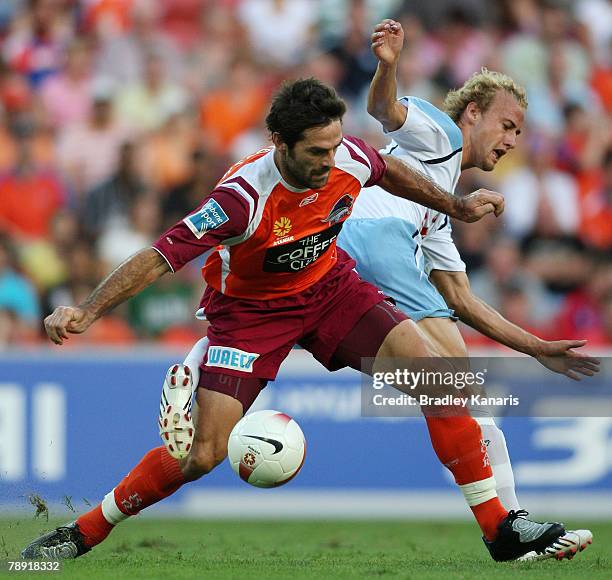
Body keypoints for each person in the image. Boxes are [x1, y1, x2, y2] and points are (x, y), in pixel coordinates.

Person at [23, 78, 568, 563]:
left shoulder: (346, 156)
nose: (329, 162)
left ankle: (500, 528)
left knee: (438, 381)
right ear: (279, 145)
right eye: (315, 152)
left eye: (333, 146)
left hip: (332, 289)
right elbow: (158, 257)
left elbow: (388, 171)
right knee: (202, 455)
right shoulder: (241, 199)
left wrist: (457, 206)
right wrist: (87, 310)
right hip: (251, 317)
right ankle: (84, 531)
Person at [336, 20, 597, 560]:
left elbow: (461, 298)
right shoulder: (439, 134)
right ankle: (508, 526)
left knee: (461, 401)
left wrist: (537, 347)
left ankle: (511, 530)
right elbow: (385, 111)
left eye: (520, 134)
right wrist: (387, 65)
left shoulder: (437, 210)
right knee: (461, 391)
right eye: (507, 125)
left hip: (341, 256)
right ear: (472, 112)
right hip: (375, 243)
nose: (511, 141)